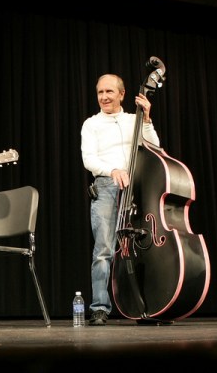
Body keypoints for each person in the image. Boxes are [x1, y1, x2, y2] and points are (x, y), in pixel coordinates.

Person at [80, 74, 160, 326]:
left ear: (122, 94)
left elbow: (155, 149)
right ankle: (100, 308)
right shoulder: (91, 124)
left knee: (144, 247)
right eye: (100, 92)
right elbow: (89, 160)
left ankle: (147, 303)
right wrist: (112, 170)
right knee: (103, 249)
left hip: (137, 186)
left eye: (109, 92)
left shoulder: (133, 120)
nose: (104, 97)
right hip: (106, 185)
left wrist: (146, 120)